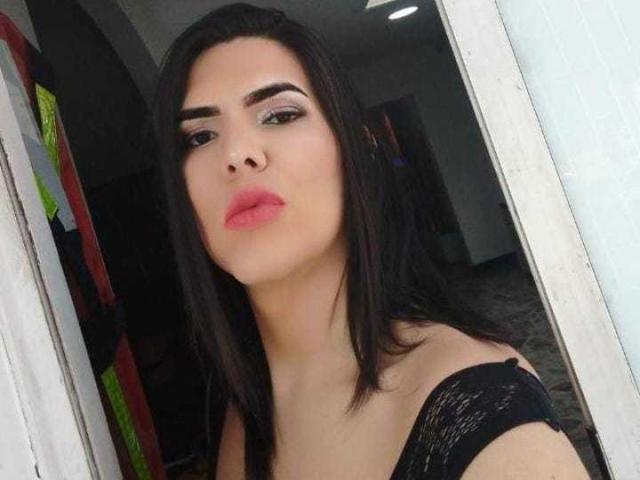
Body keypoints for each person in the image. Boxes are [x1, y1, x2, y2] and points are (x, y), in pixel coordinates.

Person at [151, 3, 590, 479]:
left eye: (279, 115)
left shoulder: (482, 413)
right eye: (200, 137)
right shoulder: (242, 421)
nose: (236, 153)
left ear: (355, 149)